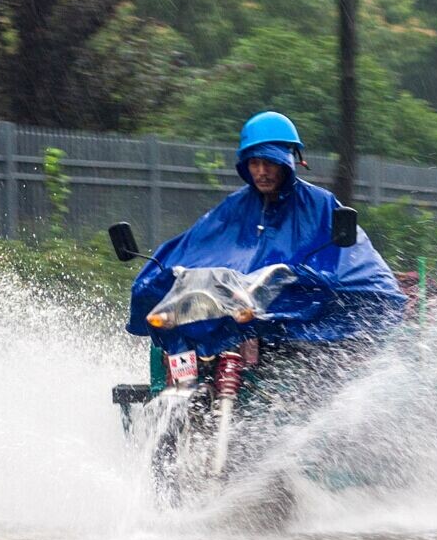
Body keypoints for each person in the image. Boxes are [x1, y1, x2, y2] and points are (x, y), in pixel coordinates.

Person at [126, 111, 405, 362]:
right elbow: (194, 248)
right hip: (235, 311)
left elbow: (346, 261)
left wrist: (300, 281)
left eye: (269, 162)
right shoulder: (233, 208)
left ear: (288, 161)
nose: (261, 171)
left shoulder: (320, 205)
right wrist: (158, 275)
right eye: (254, 162)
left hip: (293, 328)